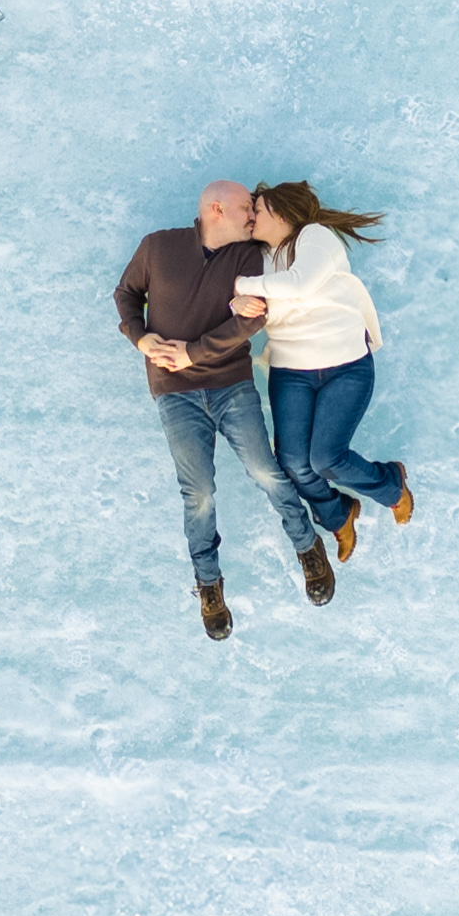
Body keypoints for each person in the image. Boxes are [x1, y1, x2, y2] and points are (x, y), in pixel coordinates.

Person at [113, 180, 332, 640]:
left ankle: (308, 546)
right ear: (217, 209)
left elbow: (251, 319)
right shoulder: (158, 247)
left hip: (231, 385)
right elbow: (126, 296)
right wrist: (141, 337)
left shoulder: (250, 259)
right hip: (174, 393)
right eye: (246, 209)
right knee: (200, 494)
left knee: (266, 472)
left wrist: (194, 352)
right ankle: (208, 584)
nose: (253, 216)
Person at [231, 181, 414, 565]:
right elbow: (242, 303)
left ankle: (391, 484)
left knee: (326, 459)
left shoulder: (315, 237)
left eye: (258, 210)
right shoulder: (258, 258)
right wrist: (237, 299)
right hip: (291, 372)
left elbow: (301, 283)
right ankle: (338, 514)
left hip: (345, 366)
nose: (252, 219)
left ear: (281, 213)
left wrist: (242, 285)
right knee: (294, 463)